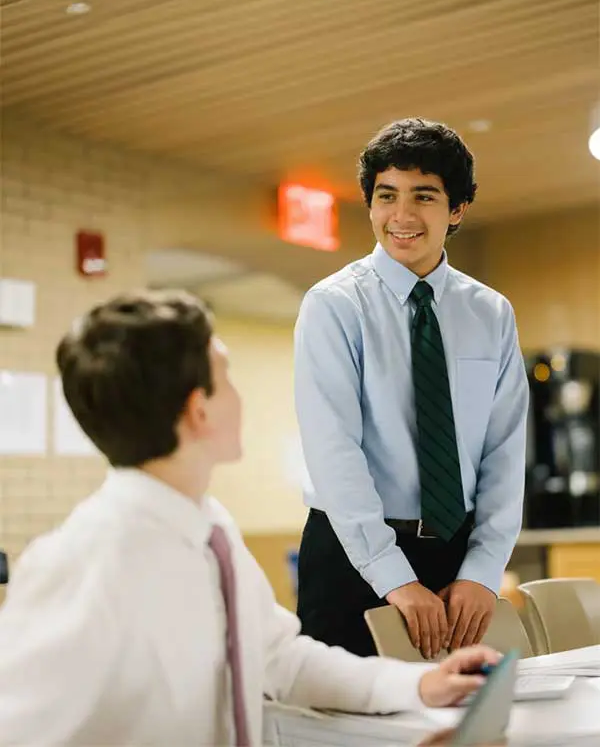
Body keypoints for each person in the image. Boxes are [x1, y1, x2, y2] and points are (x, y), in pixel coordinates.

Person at [0, 289, 500, 746]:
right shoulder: (81, 562)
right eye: (225, 376)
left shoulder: (210, 532)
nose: (238, 394)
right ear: (199, 411)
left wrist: (419, 683)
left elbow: (280, 659)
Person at [294, 117, 529, 660]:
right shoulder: (334, 306)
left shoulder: (490, 313)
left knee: (461, 728)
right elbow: (334, 452)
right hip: (353, 555)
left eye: (423, 196)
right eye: (386, 196)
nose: (401, 216)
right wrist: (392, 576)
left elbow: (504, 449)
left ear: (457, 210)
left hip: (457, 561)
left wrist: (483, 569)